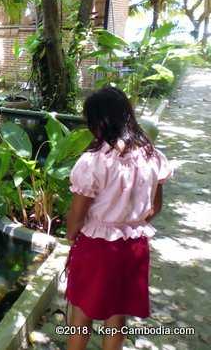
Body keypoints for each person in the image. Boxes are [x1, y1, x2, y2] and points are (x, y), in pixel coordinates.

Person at [65, 86, 173, 350]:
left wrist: (72, 238)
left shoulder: (94, 161)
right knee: (117, 316)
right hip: (134, 247)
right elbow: (155, 208)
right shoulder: (151, 155)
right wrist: (130, 220)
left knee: (80, 313)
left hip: (97, 248)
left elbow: (77, 217)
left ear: (98, 122)